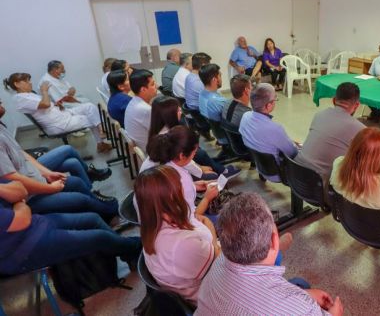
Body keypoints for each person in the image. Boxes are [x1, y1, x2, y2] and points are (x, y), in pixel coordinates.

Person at [195, 193, 344, 316]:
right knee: (300, 283)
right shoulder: (301, 310)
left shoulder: (220, 261)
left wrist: (305, 295)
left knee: (300, 283)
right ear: (274, 240)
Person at [0, 181, 141, 276]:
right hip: (23, 251)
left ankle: (126, 250)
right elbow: (22, 219)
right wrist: (19, 204)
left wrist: (18, 204)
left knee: (92, 219)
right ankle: (137, 246)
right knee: (100, 237)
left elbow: (20, 190)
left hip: (36, 224)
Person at [135, 165, 220, 303]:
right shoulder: (181, 244)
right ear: (169, 198)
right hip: (209, 297)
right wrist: (213, 239)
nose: (183, 188)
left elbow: (198, 218)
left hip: (197, 275)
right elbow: (220, 260)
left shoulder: (153, 223)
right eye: (179, 185)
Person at [4, 73, 112, 153]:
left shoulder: (27, 95)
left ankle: (101, 133)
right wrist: (44, 91)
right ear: (17, 84)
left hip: (62, 115)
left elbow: (43, 106)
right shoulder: (20, 99)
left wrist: (55, 105)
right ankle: (101, 140)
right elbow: (45, 104)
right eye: (26, 81)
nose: (30, 83)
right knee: (93, 118)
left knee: (89, 107)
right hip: (59, 124)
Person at [147, 96, 240, 179]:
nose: (180, 111)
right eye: (177, 110)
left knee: (200, 153)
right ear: (168, 115)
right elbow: (183, 161)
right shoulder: (168, 137)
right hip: (176, 173)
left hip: (174, 169)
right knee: (202, 155)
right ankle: (222, 172)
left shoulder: (157, 130)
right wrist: (200, 170)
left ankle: (220, 169)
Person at [142, 126, 219, 218]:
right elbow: (191, 217)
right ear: (182, 155)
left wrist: (194, 185)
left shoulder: (163, 158)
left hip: (153, 218)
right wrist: (207, 198)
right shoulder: (177, 178)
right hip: (175, 224)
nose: (194, 155)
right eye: (194, 152)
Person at [296, 82, 365, 180]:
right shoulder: (361, 130)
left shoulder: (319, 115)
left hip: (295, 173)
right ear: (357, 105)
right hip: (321, 185)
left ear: (333, 100)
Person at [239, 83, 298, 182]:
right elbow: (292, 153)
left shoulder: (245, 116)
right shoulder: (275, 129)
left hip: (259, 166)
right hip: (278, 173)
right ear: (269, 105)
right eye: (275, 99)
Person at [124, 69, 158, 151]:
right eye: (153, 84)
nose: (156, 86)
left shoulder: (133, 102)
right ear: (143, 89)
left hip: (144, 148)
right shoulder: (145, 109)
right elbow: (164, 133)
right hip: (153, 153)